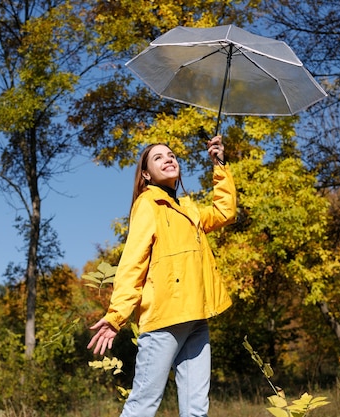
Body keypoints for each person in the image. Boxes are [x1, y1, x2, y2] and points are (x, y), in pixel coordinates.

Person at [87, 135, 236, 417]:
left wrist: (219, 163)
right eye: (158, 157)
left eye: (171, 155)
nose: (169, 159)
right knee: (142, 406)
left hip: (196, 317)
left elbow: (224, 212)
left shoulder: (188, 209)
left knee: (196, 411)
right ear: (145, 174)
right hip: (164, 320)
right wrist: (117, 315)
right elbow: (133, 262)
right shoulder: (147, 205)